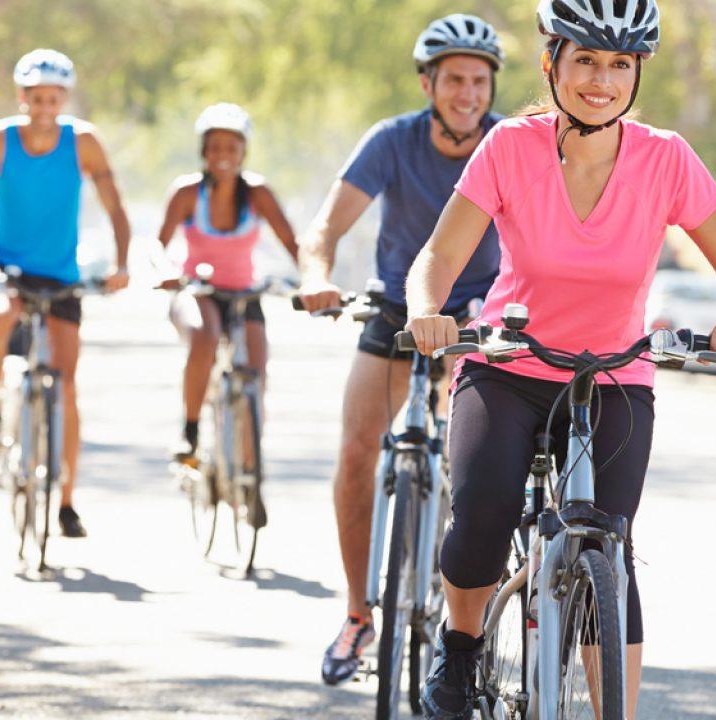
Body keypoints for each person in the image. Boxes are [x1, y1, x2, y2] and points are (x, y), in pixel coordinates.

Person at [402, 2, 716, 717]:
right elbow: (440, 255)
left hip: (614, 376)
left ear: (637, 74)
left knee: (611, 545)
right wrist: (427, 309)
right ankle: (462, 646)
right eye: (586, 61)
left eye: (619, 65)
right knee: (482, 511)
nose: (601, 80)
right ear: (553, 65)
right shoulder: (511, 145)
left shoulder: (666, 159)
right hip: (507, 367)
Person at [294, 13, 505, 686]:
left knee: (481, 470)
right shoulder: (392, 141)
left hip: (484, 317)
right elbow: (326, 226)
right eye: (454, 81)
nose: (468, 94)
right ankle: (359, 613)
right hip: (395, 310)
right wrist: (316, 276)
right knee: (359, 448)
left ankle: (472, 616)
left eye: (479, 81)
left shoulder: (510, 144)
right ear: (428, 83)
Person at [0, 48, 131, 539]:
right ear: (21, 97)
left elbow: (114, 206)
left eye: (54, 99)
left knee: (66, 385)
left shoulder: (84, 142)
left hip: (61, 274)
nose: (45, 108)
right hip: (7, 265)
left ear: (64, 99)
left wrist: (122, 264)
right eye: (35, 98)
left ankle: (66, 501)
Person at [157, 103, 298, 460]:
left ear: (243, 152)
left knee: (256, 372)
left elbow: (293, 243)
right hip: (197, 289)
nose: (222, 155)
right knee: (204, 336)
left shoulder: (257, 193)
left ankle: (249, 469)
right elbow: (159, 245)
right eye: (215, 147)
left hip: (243, 292)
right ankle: (189, 431)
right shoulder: (187, 192)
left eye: (231, 148)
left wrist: (312, 281)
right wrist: (166, 273)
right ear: (203, 151)